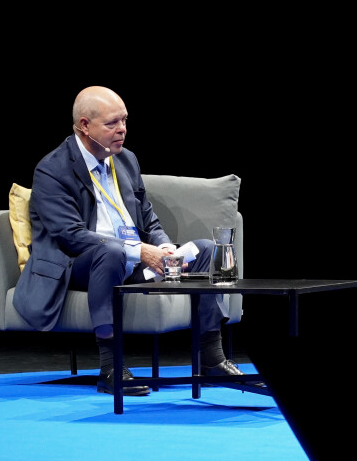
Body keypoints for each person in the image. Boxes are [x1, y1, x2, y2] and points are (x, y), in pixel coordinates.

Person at [13, 86, 242, 397]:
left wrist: (163, 246)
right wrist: (138, 251)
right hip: (77, 265)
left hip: (130, 259)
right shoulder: (53, 169)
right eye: (111, 124)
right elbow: (70, 235)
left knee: (203, 249)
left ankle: (211, 359)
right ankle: (111, 367)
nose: (121, 129)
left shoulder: (125, 160)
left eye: (124, 120)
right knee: (108, 251)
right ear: (84, 125)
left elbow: (148, 220)